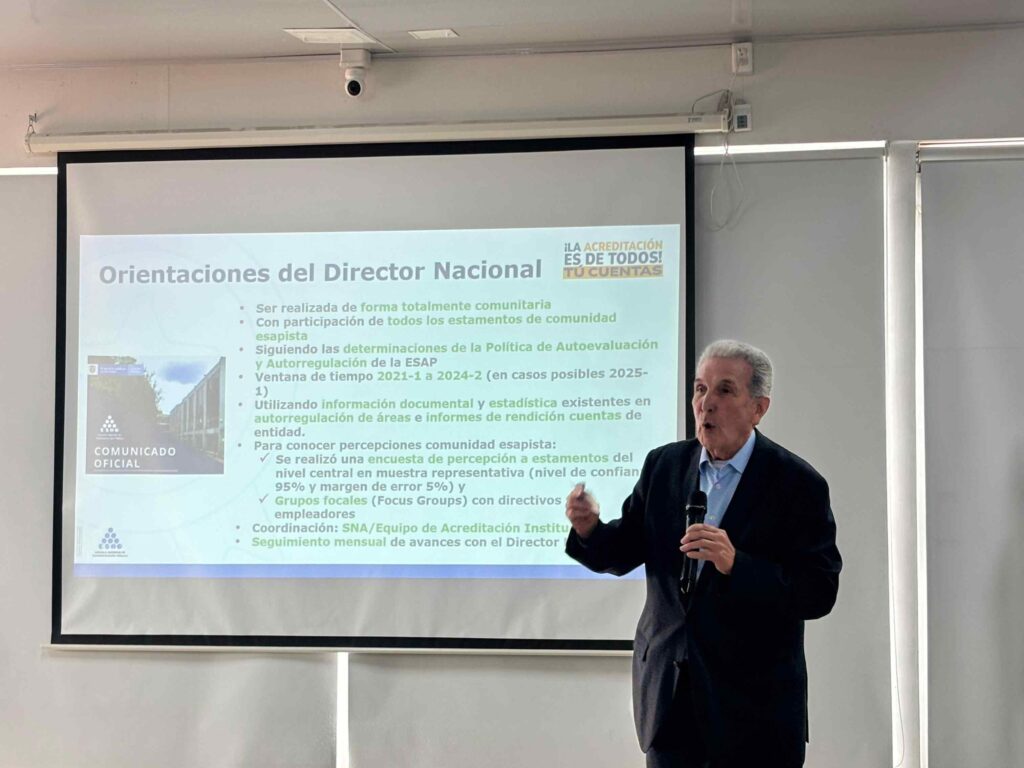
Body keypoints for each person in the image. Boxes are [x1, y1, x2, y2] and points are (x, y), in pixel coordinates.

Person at [565, 340, 841, 768]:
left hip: (755, 714)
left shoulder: (797, 484)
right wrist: (589, 529)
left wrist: (737, 564)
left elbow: (818, 591)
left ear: (759, 408)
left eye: (725, 390)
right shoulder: (664, 467)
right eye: (700, 388)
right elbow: (622, 551)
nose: (706, 403)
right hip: (670, 702)